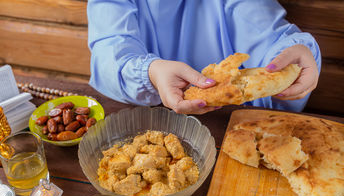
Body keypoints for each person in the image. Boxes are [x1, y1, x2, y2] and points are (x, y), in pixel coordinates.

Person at [87, 0, 321, 114]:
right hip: (145, 121)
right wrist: (151, 73)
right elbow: (110, 50)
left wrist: (295, 52)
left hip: (234, 127)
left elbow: (269, 37)